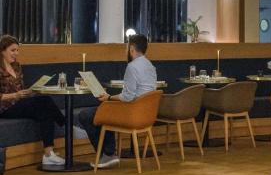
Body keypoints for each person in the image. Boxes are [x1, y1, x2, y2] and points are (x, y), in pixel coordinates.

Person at [77, 33, 158, 168]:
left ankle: (107, 155)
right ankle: (109, 153)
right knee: (105, 111)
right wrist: (110, 99)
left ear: (131, 48)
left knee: (85, 115)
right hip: (146, 115)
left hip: (132, 115)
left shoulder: (132, 67)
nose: (126, 51)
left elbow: (128, 97)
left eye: (126, 48)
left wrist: (108, 97)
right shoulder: (150, 66)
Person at [0, 35, 69, 168]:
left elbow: (21, 88)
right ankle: (66, 125)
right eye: (13, 50)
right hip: (5, 107)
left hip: (19, 102)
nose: (16, 54)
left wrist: (30, 91)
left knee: (45, 112)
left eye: (17, 50)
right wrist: (16, 95)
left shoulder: (17, 66)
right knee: (45, 101)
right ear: (2, 50)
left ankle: (48, 155)